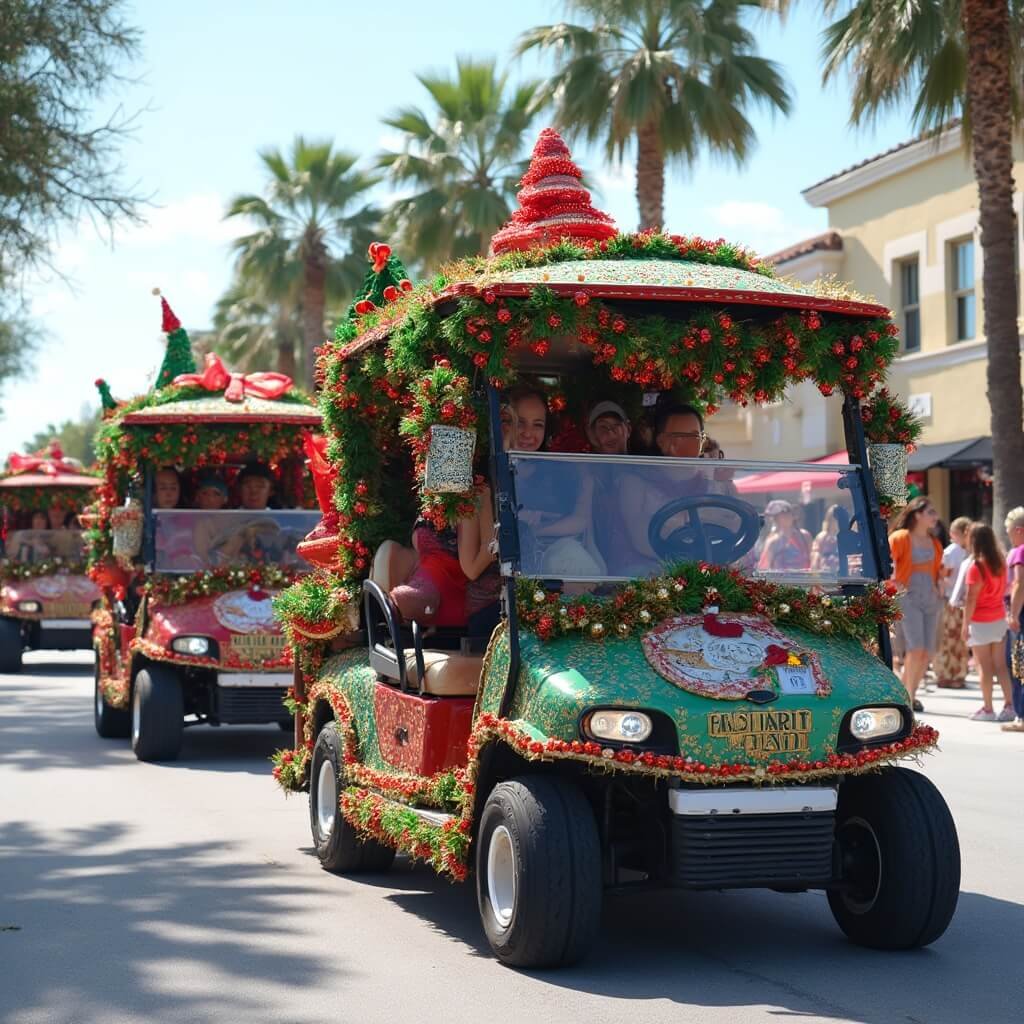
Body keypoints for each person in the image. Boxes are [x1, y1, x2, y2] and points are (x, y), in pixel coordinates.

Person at [510, 386, 604, 577]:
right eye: (520, 423)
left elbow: (579, 520)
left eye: (537, 425)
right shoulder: (491, 471)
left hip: (557, 556)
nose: (528, 433)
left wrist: (535, 531)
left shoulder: (561, 471)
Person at [888, 496, 943, 712]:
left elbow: (938, 569)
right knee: (915, 647)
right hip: (908, 595)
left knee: (927, 652)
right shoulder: (900, 537)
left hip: (930, 595)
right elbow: (887, 565)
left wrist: (940, 586)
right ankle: (907, 696)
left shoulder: (935, 541)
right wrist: (891, 587)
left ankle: (909, 692)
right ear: (917, 514)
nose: (935, 517)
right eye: (930, 512)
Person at [961, 523, 1014, 722]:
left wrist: (965, 624)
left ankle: (988, 708)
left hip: (980, 621)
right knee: (1001, 666)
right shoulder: (1000, 561)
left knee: (984, 668)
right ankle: (1009, 706)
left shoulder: (976, 567)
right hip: (998, 618)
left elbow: (971, 599)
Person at [934, 516, 972, 689]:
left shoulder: (951, 551)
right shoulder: (970, 551)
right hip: (966, 601)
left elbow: (943, 575)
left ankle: (945, 675)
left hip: (950, 600)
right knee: (961, 641)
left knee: (947, 639)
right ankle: (959, 675)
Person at [1002, 507, 1024, 732]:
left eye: (1009, 532)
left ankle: (1022, 716)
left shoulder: (1020, 552)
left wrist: (1013, 614)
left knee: (1018, 665)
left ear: (1019, 530)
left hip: (1022, 614)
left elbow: (1019, 583)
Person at [758, 500, 813, 572]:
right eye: (782, 514)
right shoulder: (773, 541)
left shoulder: (805, 536)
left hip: (804, 580)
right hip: (781, 581)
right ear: (776, 519)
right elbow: (764, 567)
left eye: (787, 513)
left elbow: (812, 559)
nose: (786, 517)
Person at [810, 504, 842, 574]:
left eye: (838, 519)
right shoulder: (822, 537)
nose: (835, 521)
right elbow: (815, 555)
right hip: (826, 574)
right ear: (829, 519)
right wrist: (814, 573)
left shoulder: (845, 537)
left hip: (842, 574)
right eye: (833, 519)